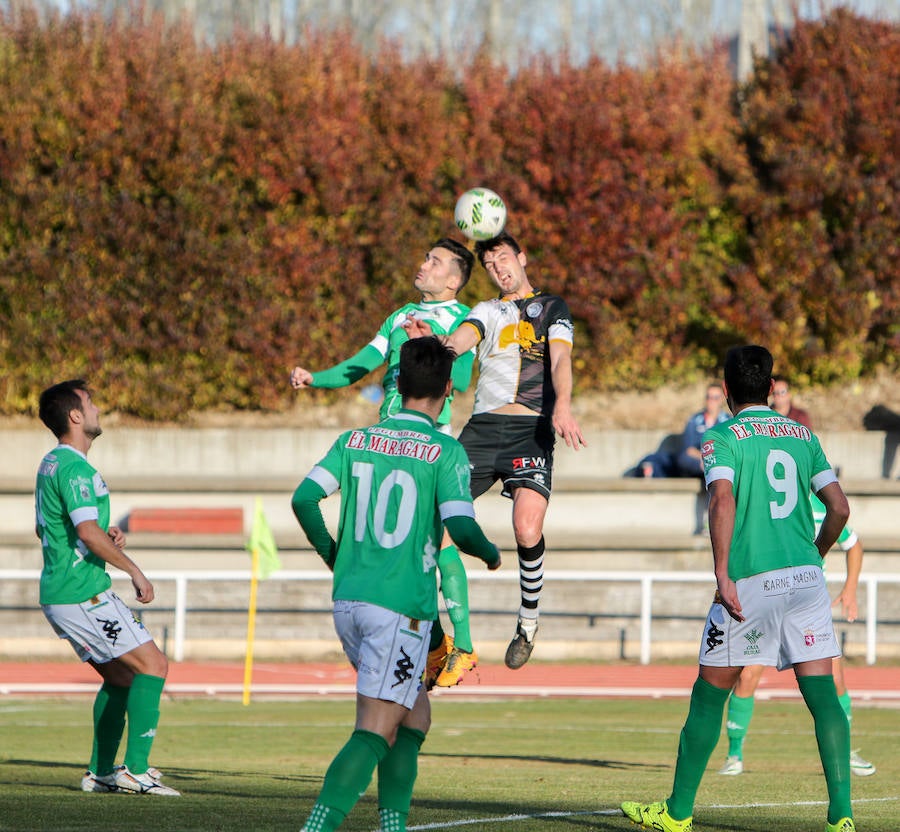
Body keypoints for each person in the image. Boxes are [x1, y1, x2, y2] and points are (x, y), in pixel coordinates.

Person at [622, 345, 856, 832]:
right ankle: (841, 818)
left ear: (726, 390)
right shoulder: (802, 434)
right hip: (806, 581)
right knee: (824, 700)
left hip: (750, 582)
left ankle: (677, 812)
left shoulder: (721, 435)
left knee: (709, 696)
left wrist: (722, 572)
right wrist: (815, 555)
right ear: (771, 388)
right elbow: (839, 509)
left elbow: (722, 498)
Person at [291, 336, 501, 832]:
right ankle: (316, 826)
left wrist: (333, 553)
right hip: (399, 608)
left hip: (349, 602)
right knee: (376, 730)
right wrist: (492, 554)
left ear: (398, 383)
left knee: (415, 716)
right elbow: (464, 529)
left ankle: (393, 826)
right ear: (449, 391)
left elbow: (303, 499)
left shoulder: (353, 441)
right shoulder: (444, 451)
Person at [289, 238, 480, 688]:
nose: (423, 264)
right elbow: (362, 364)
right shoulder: (397, 317)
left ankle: (463, 647)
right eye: (425, 256)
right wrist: (316, 378)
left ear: (453, 280)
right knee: (413, 549)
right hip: (386, 442)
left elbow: (464, 378)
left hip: (430, 441)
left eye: (434, 262)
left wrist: (430, 344)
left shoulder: (464, 321)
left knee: (442, 543)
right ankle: (436, 647)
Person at [404, 229, 586, 669]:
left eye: (502, 258)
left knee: (526, 528)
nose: (498, 269)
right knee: (435, 522)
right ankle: (438, 634)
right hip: (483, 430)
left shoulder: (552, 308)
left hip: (532, 430)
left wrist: (562, 406)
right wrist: (437, 344)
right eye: (488, 265)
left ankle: (527, 621)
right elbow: (460, 341)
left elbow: (561, 359)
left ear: (521, 257)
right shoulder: (486, 309)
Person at [34, 380, 179, 796]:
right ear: (75, 416)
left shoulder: (51, 464)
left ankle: (100, 772)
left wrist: (101, 533)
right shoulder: (77, 468)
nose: (97, 408)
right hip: (82, 592)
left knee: (121, 679)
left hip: (64, 591)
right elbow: (83, 529)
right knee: (153, 666)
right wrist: (135, 570)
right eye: (90, 403)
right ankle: (135, 770)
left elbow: (58, 528)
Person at [719, 493, 875, 777]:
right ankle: (734, 755)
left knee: (834, 680)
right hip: (766, 603)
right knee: (747, 676)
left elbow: (853, 545)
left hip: (806, 607)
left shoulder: (818, 507)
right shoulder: (762, 502)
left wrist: (850, 588)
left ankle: (846, 751)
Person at [635, 384, 729, 478]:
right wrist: (704, 458)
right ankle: (648, 469)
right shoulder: (695, 420)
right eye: (708, 397)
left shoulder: (727, 421)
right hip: (698, 462)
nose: (711, 401)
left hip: (719, 462)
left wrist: (712, 459)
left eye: (715, 398)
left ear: (721, 399)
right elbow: (689, 450)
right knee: (680, 459)